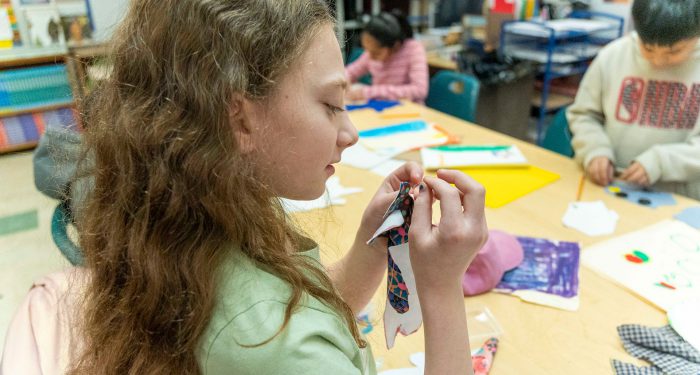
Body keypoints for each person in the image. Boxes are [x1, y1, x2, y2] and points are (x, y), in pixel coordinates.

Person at [1, 1, 488, 374]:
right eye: (331, 105)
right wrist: (441, 289)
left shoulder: (195, 215)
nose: (350, 132)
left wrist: (374, 243)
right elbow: (284, 331)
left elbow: (308, 303)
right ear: (239, 118)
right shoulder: (276, 347)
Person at [568, 0, 700, 200]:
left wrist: (661, 162)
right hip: (611, 185)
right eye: (647, 48)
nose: (657, 61)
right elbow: (584, 114)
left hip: (680, 198)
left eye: (674, 51)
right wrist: (594, 149)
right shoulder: (612, 56)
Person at [345, 10, 429, 103]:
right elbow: (350, 71)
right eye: (366, 49)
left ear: (394, 46)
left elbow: (419, 90)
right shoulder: (371, 53)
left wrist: (369, 92)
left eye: (376, 53)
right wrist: (343, 79)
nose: (370, 57)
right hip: (381, 107)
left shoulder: (413, 49)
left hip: (409, 110)